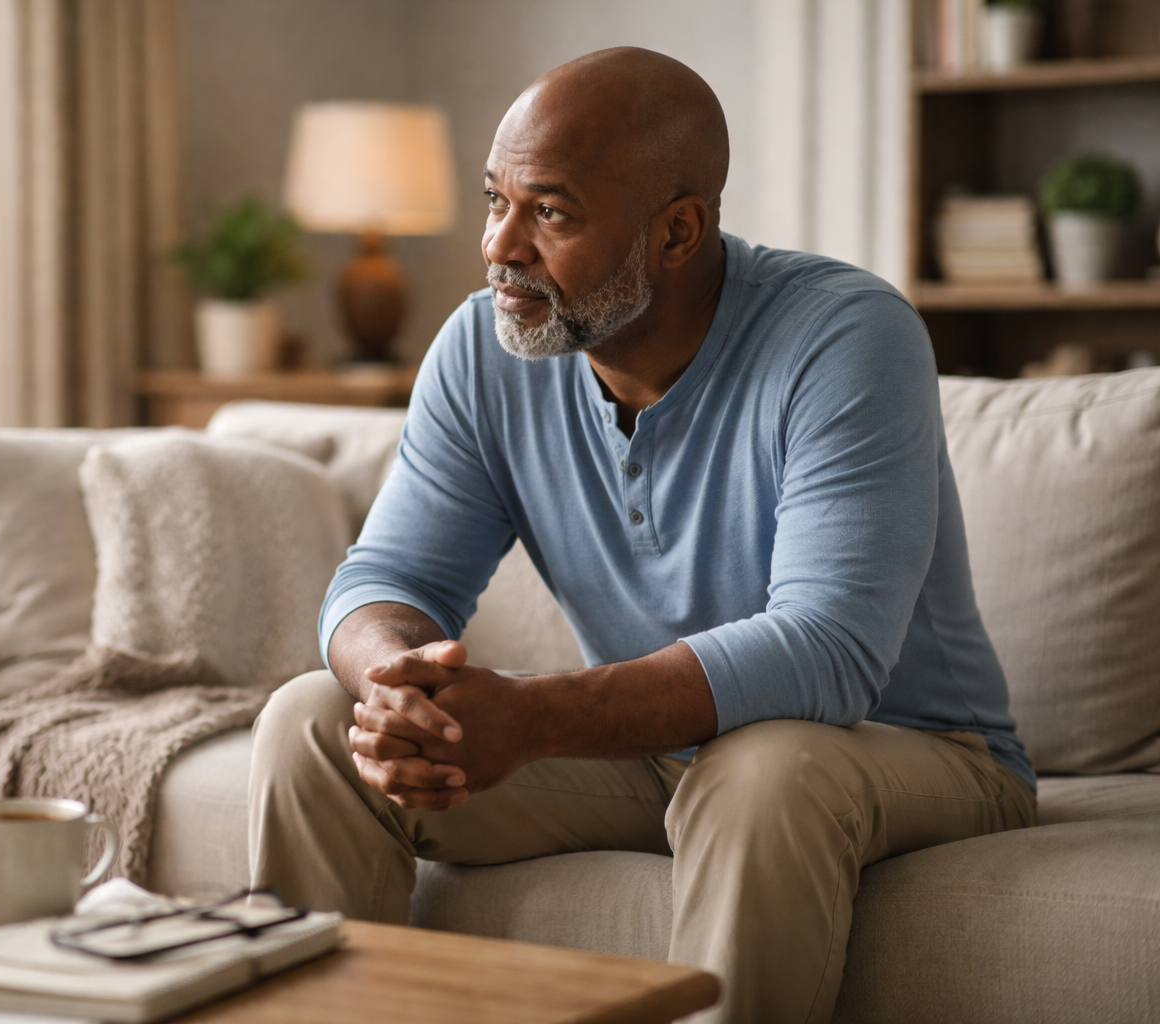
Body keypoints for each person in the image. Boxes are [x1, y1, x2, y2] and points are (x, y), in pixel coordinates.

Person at [247, 46, 1034, 1024]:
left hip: (913, 746)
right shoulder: (481, 350)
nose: (499, 244)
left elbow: (830, 652)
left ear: (677, 230)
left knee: (761, 770)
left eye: (551, 212)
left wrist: (534, 719)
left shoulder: (845, 337)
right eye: (497, 200)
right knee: (312, 723)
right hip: (657, 753)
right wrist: (395, 684)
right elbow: (388, 574)